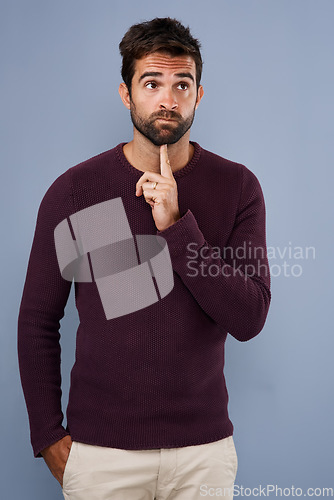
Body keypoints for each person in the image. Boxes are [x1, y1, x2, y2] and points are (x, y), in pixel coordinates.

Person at [18, 17, 271, 500]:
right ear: (125, 93)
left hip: (204, 455)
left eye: (182, 84)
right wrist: (48, 435)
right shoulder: (78, 192)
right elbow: (37, 320)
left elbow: (249, 316)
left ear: (199, 95)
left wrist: (177, 228)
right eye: (151, 83)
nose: (167, 99)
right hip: (102, 457)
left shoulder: (236, 187)